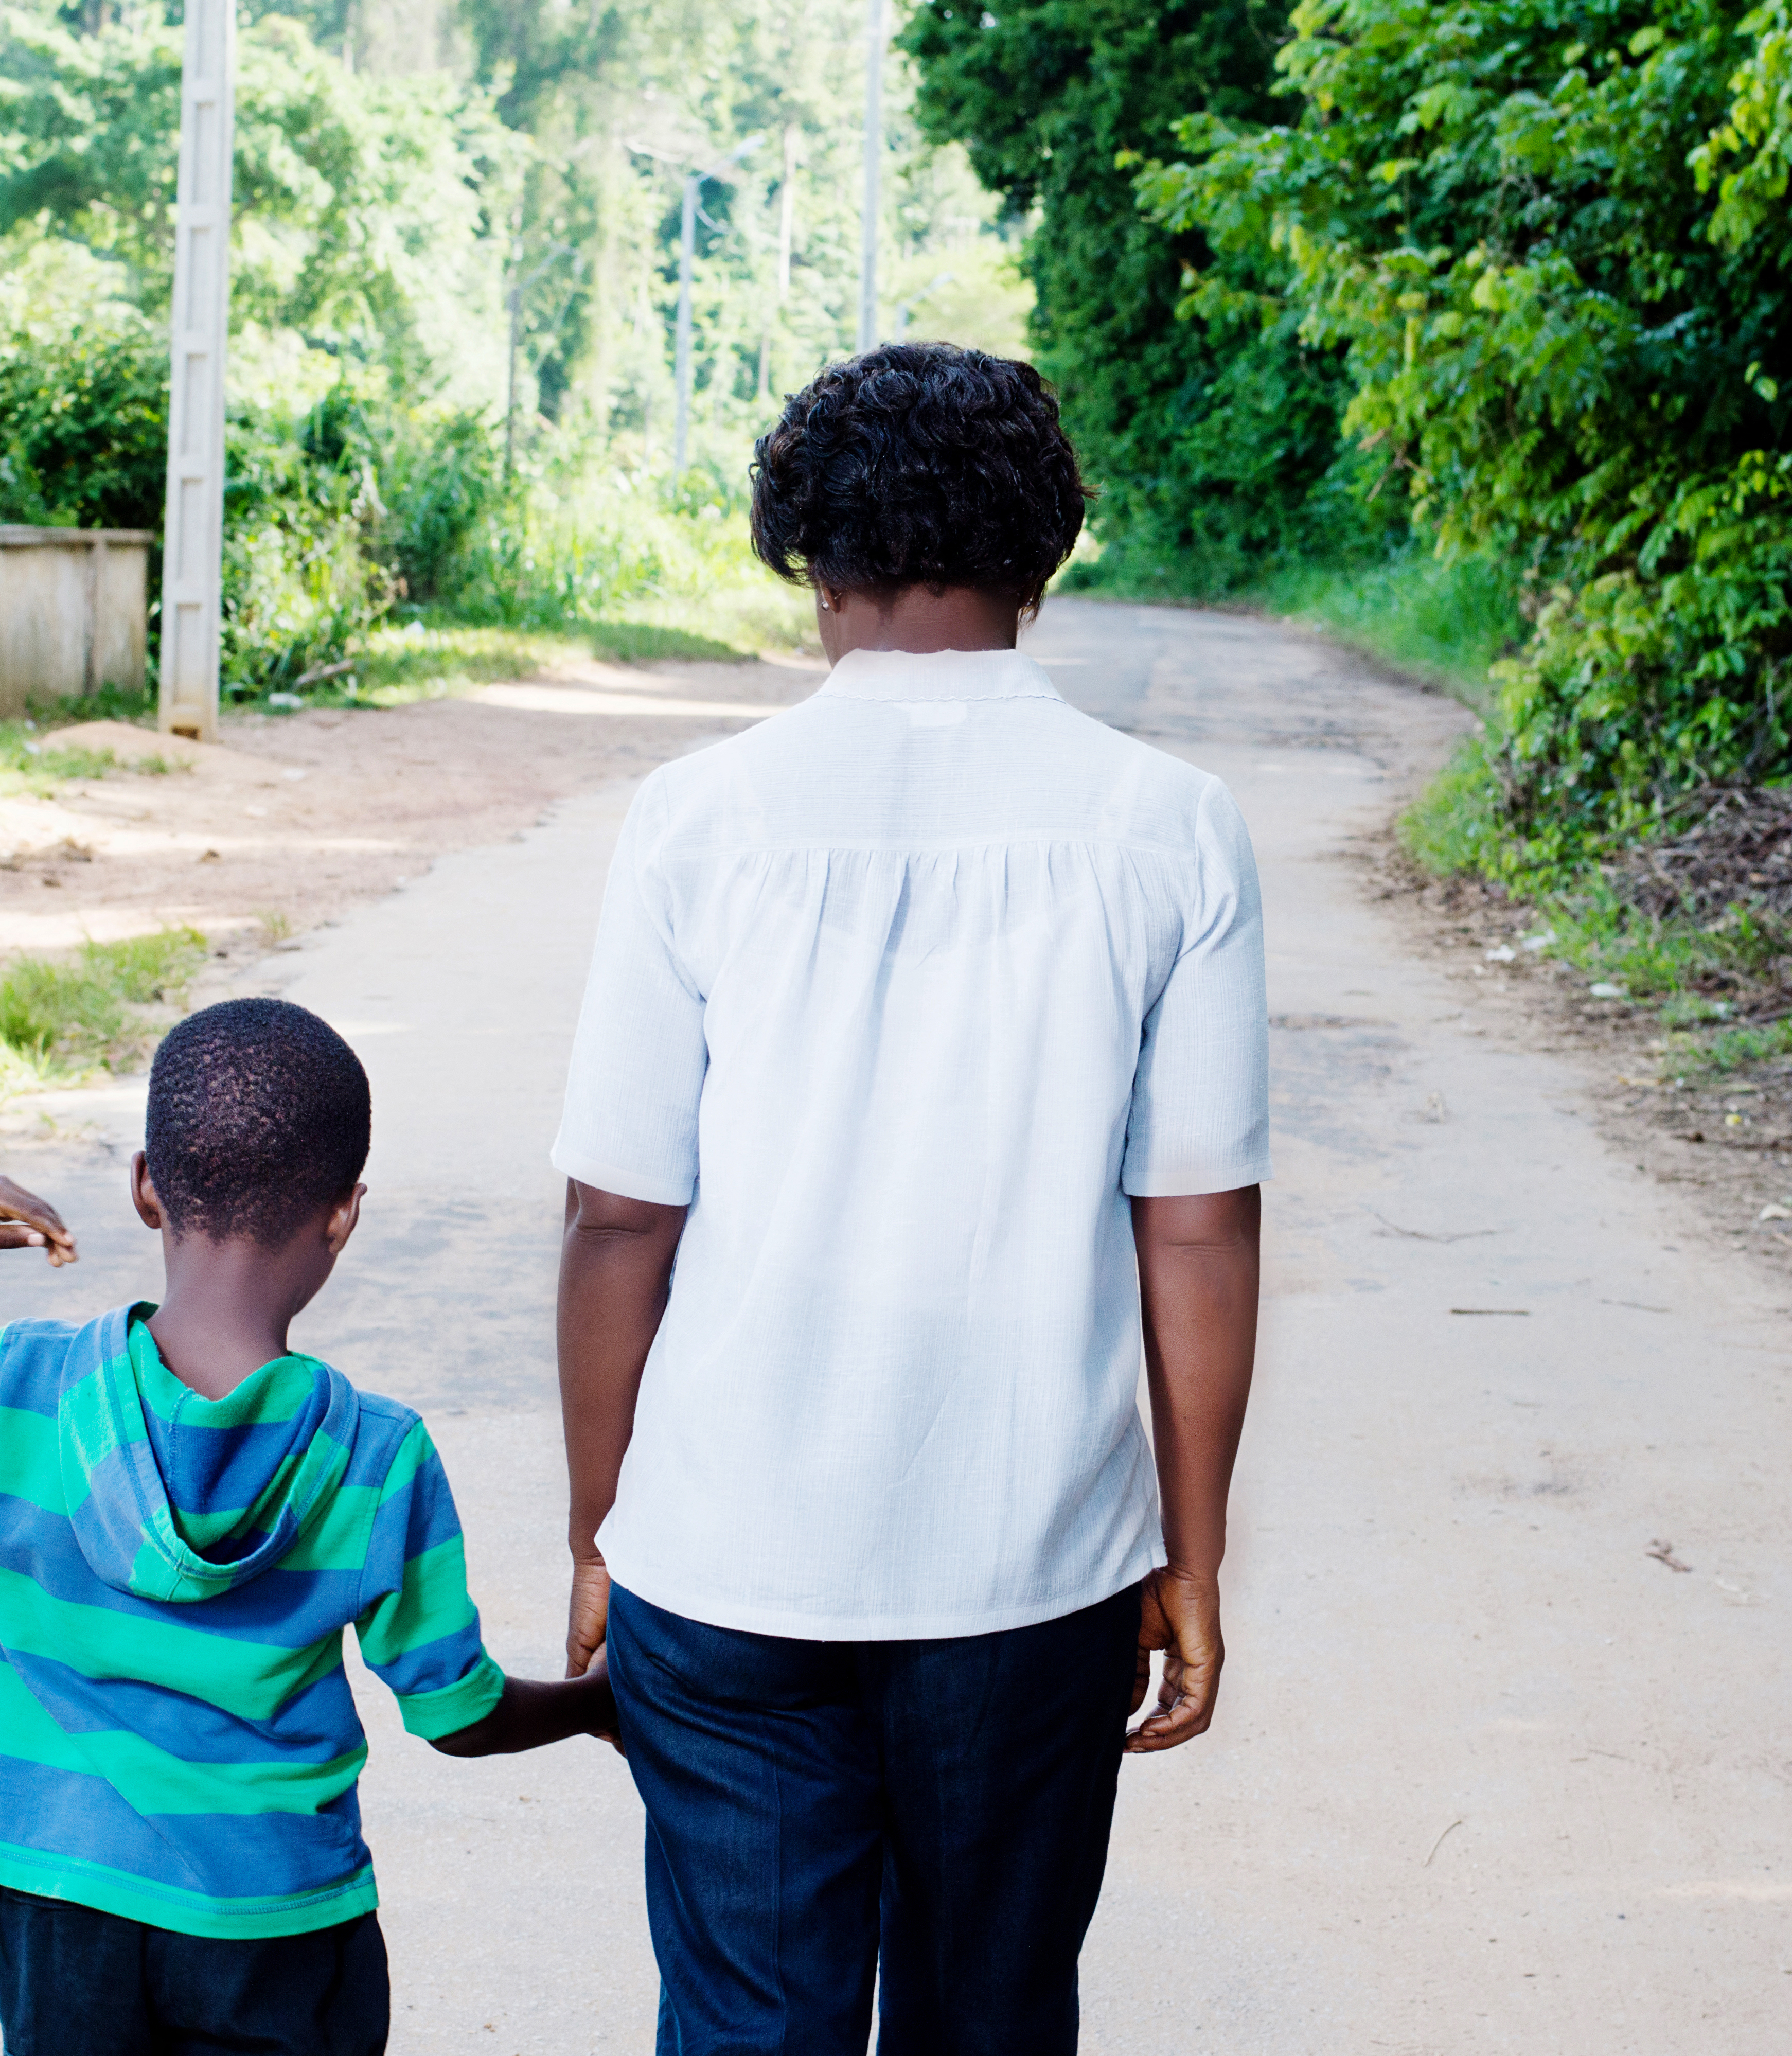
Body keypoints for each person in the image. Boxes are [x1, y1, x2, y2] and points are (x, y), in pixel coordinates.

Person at [552, 342, 1268, 2054]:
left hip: (724, 1562)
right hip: (1029, 1575)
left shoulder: (694, 821)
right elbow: (1194, 1228)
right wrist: (1192, 1549)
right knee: (990, 2015)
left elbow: (616, 1219)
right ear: (1045, 556)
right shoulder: (1167, 828)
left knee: (744, 2025)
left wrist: (597, 1526)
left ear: (811, 568)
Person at [0, 998, 612, 2056]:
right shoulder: (375, 1454)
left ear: (144, 1188)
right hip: (278, 1921)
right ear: (343, 1215)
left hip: (60, 1904)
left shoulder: (18, 1388)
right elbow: (457, 1713)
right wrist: (597, 1703)